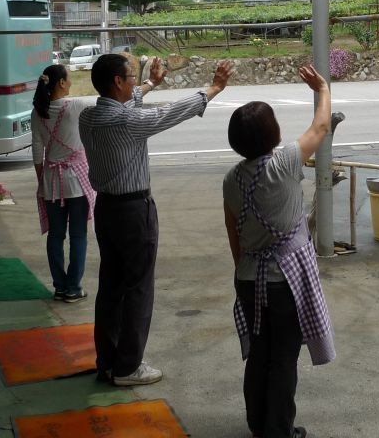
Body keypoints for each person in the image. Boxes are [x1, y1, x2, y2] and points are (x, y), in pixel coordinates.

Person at [79, 53, 233, 387]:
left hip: (105, 209)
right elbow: (168, 114)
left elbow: (125, 104)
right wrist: (215, 88)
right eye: (131, 77)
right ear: (118, 82)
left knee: (111, 287)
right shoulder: (127, 123)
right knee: (138, 289)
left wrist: (151, 83)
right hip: (133, 212)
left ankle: (108, 361)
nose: (135, 82)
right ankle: (128, 367)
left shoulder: (88, 118)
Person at [223, 64, 335, 438]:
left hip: (249, 277)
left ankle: (259, 424)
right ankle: (279, 430)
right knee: (285, 356)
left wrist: (245, 271)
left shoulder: (231, 179)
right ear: (272, 134)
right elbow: (321, 127)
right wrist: (321, 88)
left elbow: (233, 233)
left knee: (259, 353)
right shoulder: (285, 162)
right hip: (285, 279)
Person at [31, 63, 96, 303]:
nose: (70, 81)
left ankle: (59, 286)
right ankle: (73, 288)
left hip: (51, 182)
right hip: (77, 181)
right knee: (78, 235)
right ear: (60, 83)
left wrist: (43, 181)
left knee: (55, 236)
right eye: (68, 77)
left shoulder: (38, 111)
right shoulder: (76, 106)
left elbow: (38, 153)